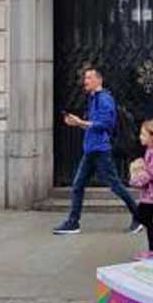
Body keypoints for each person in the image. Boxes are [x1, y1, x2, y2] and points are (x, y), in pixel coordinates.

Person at [53, 66, 140, 235]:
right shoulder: (93, 99)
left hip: (100, 150)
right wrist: (77, 123)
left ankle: (139, 216)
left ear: (99, 80)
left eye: (89, 78)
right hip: (91, 149)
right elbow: (93, 125)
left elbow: (106, 125)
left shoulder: (105, 99)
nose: (85, 81)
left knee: (115, 185)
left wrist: (81, 123)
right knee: (78, 186)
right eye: (85, 78)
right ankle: (73, 222)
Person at [129, 119, 153, 258]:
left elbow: (151, 173)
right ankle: (152, 250)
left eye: (143, 134)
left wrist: (136, 180)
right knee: (147, 220)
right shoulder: (150, 151)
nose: (140, 137)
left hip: (152, 193)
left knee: (141, 217)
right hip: (148, 192)